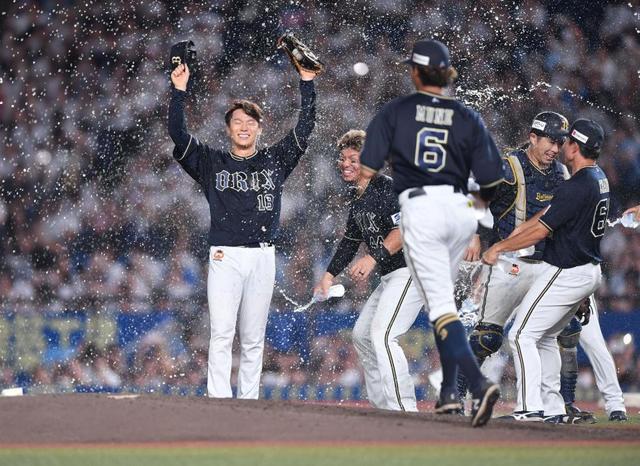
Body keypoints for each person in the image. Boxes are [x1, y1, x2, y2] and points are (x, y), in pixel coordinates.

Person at [358, 39, 505, 427]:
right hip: (460, 211)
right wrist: (471, 217)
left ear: (416, 72)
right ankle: (449, 394)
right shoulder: (466, 115)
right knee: (440, 302)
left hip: (421, 208)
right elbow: (492, 178)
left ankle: (477, 382)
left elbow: (367, 167)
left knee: (439, 305)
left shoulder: (397, 111)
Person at [168, 62, 317, 399]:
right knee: (222, 332)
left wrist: (306, 83)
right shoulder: (211, 162)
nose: (244, 127)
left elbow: (304, 128)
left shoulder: (275, 160)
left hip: (264, 256)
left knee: (253, 337)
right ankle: (219, 400)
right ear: (228, 129)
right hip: (226, 255)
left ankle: (248, 403)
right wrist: (179, 92)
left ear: (259, 129)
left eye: (250, 122)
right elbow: (178, 134)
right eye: (238, 122)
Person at [482, 119, 610, 423]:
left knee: (521, 335)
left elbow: (540, 230)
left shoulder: (575, 184)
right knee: (547, 336)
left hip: (566, 270)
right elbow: (544, 218)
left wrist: (498, 247)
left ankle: (529, 409)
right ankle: (554, 409)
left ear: (574, 147)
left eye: (564, 141)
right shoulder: (598, 178)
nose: (559, 146)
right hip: (588, 269)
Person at [313, 130, 423, 412]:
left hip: (411, 271)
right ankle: (383, 407)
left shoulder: (389, 188)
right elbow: (351, 239)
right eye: (343, 158)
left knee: (384, 335)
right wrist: (328, 276)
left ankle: (404, 408)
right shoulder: (359, 195)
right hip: (391, 277)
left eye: (354, 158)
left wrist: (372, 258)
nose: (346, 163)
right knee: (363, 336)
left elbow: (403, 230)